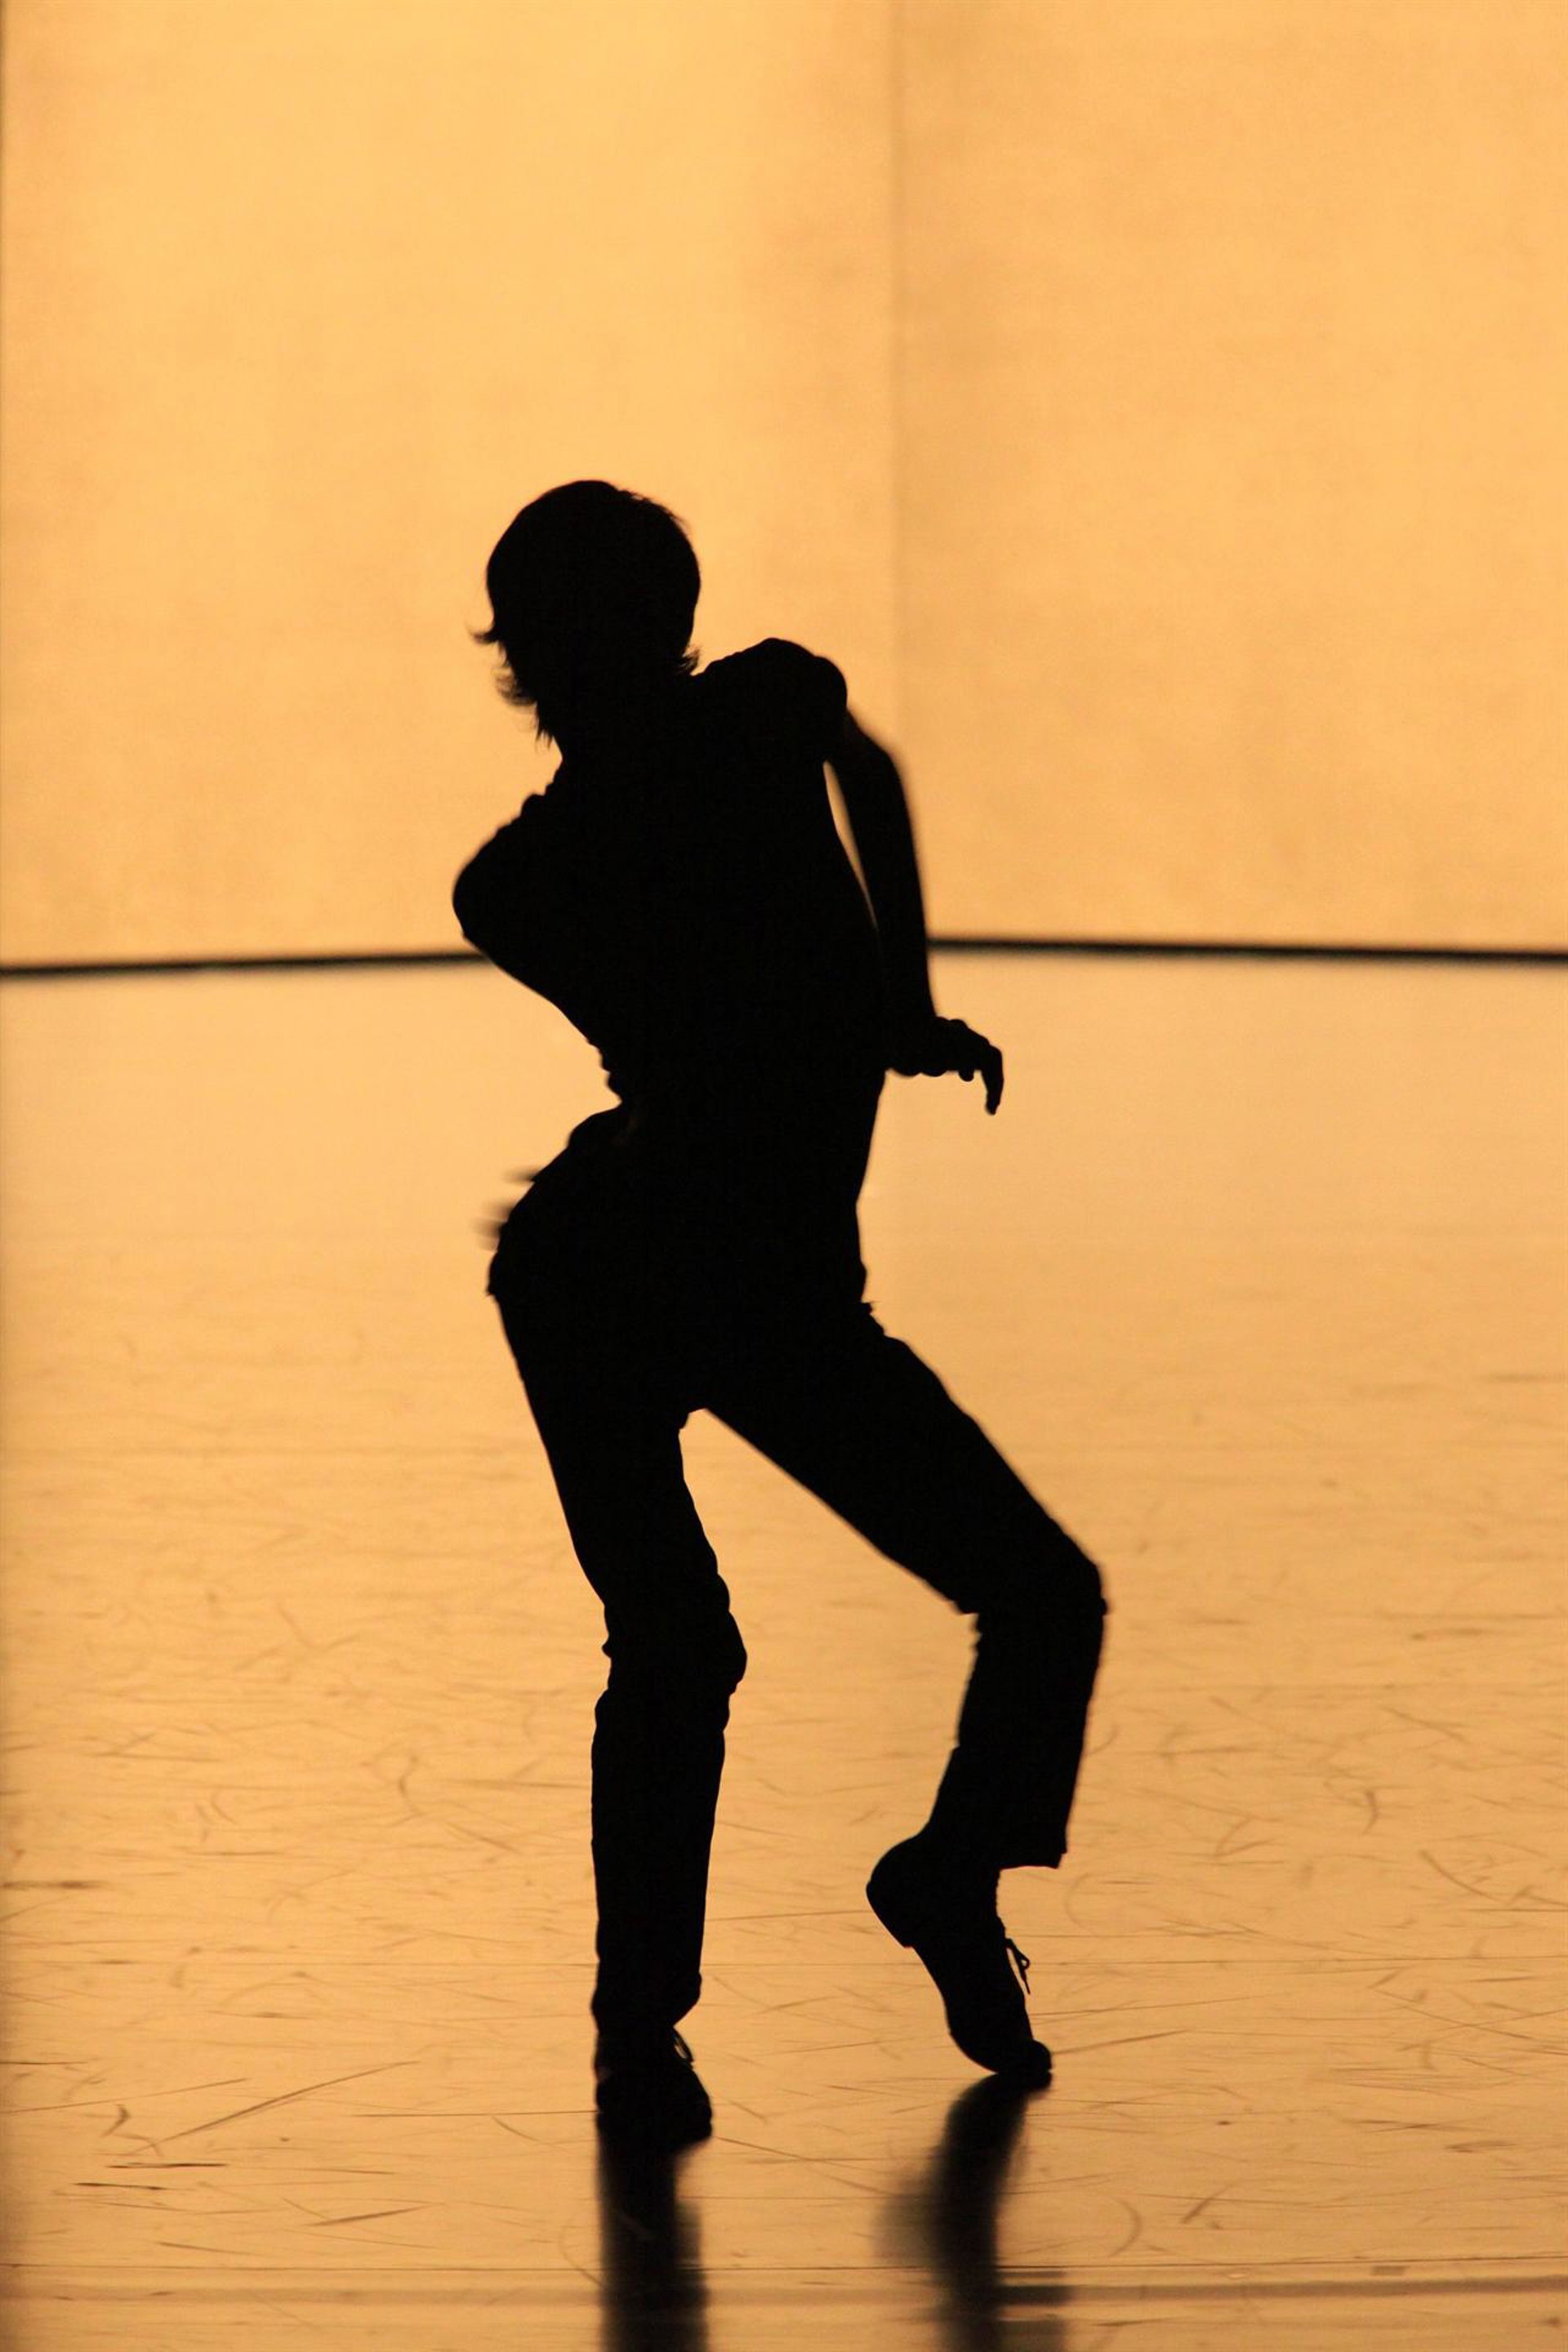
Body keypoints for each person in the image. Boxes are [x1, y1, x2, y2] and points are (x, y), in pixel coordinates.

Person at [453, 481, 1107, 2150]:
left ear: (521, 656)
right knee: (992, 1601)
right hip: (693, 1280)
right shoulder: (745, 723)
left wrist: (886, 1009)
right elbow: (823, 844)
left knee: (702, 1642)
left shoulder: (528, 873)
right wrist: (891, 1002)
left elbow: (710, 998)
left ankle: (680, 2015)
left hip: (644, 1275)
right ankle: (731, 1987)